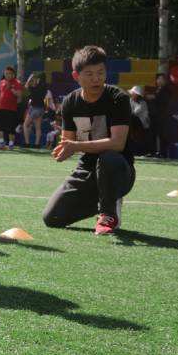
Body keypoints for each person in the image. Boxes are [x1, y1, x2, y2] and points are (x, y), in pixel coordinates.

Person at [42, 46, 135, 235]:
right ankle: (105, 199)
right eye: (90, 74)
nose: (96, 79)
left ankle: (108, 212)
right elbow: (68, 141)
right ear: (76, 76)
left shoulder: (119, 98)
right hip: (86, 169)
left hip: (118, 169)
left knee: (108, 157)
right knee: (52, 218)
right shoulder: (70, 102)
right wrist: (64, 150)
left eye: (101, 73)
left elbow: (118, 143)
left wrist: (75, 146)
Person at [0, 66, 23, 149]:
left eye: (9, 74)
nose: (7, 75)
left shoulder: (17, 82)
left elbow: (20, 95)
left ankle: (11, 144)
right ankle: (1, 143)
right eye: (6, 73)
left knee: (11, 128)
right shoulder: (1, 82)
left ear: (13, 74)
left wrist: (12, 89)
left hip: (11, 108)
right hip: (0, 107)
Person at [22, 72, 51, 148]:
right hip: (41, 109)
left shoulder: (34, 87)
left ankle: (27, 143)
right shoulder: (45, 87)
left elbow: (26, 86)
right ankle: (37, 144)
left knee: (25, 125)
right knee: (38, 127)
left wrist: (30, 77)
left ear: (39, 79)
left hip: (34, 108)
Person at [146, 72, 172, 157]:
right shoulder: (157, 89)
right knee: (152, 134)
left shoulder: (167, 89)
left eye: (161, 79)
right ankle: (152, 152)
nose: (159, 80)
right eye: (158, 79)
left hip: (162, 115)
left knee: (162, 134)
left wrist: (154, 97)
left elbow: (164, 100)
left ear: (165, 80)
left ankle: (163, 153)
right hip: (154, 115)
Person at [128, 85, 151, 155]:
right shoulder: (130, 101)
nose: (132, 94)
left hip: (142, 123)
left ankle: (141, 151)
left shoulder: (142, 103)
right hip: (133, 123)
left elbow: (138, 113)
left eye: (134, 93)